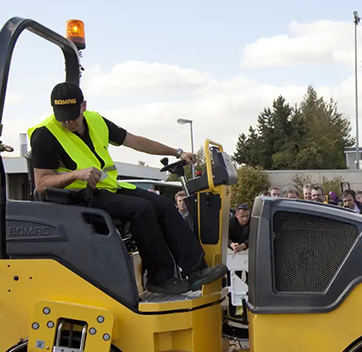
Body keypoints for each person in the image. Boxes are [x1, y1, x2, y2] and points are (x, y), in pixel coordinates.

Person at [28, 82, 225, 294]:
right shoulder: (45, 135)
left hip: (108, 188)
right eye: (62, 116)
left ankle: (196, 270)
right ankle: (160, 278)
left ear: (83, 106)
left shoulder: (96, 121)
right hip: (77, 197)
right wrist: (76, 174)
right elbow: (41, 184)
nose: (67, 121)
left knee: (163, 204)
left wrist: (177, 152)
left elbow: (136, 142)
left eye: (72, 115)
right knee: (141, 209)